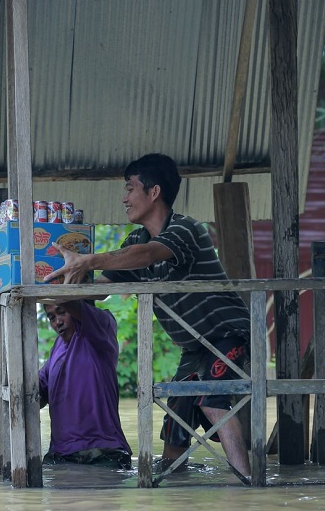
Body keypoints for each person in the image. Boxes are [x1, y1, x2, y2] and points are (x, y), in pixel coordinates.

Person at [47, 153, 252, 480]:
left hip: (230, 333)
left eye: (130, 188)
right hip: (194, 347)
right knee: (175, 424)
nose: (124, 198)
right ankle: (173, 486)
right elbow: (100, 291)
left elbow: (147, 255)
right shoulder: (135, 240)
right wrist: (51, 284)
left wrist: (88, 260)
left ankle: (251, 488)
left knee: (214, 400)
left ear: (153, 192)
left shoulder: (186, 229)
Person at [39, 299, 132, 468]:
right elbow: (38, 395)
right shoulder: (57, 348)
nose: (57, 322)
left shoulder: (101, 327)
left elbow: (74, 303)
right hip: (62, 454)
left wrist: (48, 285)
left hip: (104, 452)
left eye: (62, 312)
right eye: (51, 317)